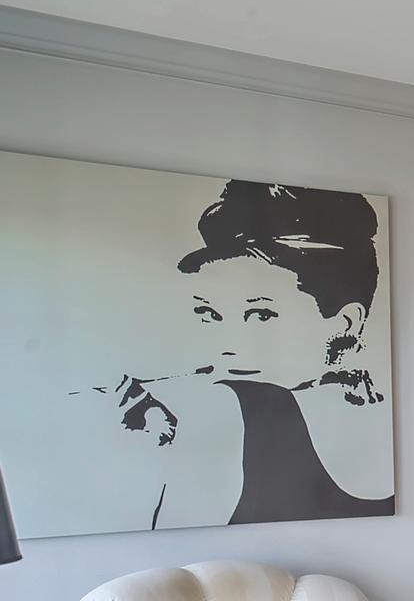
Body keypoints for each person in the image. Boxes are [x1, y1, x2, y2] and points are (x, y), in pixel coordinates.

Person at [69, 180, 392, 529]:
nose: (227, 344)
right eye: (208, 314)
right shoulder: (385, 417)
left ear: (345, 322)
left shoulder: (225, 407)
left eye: (262, 315)